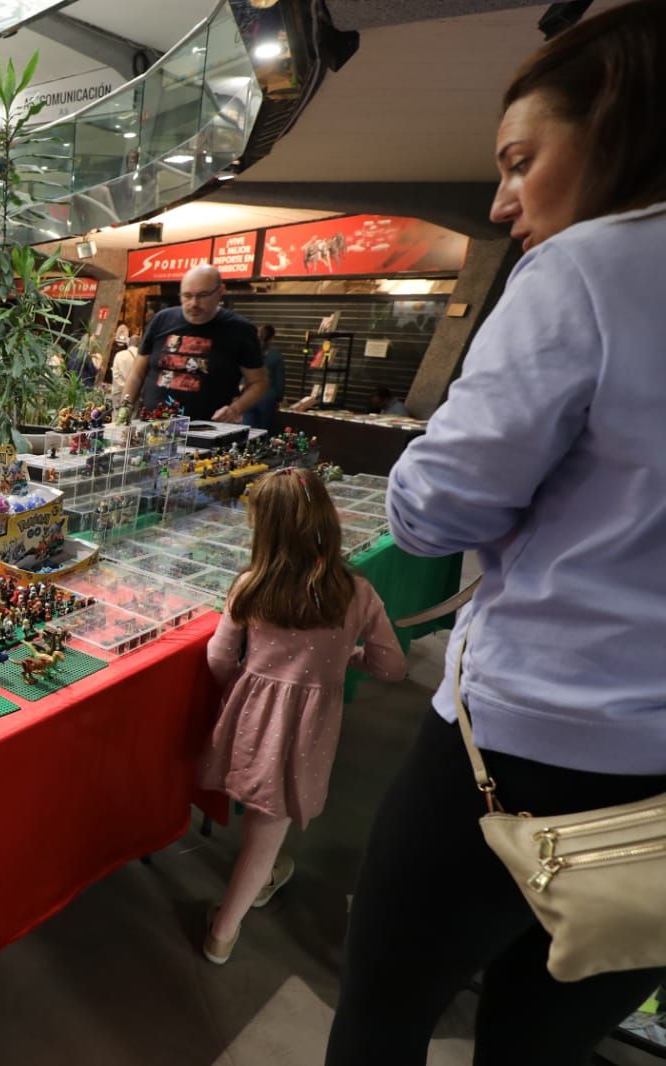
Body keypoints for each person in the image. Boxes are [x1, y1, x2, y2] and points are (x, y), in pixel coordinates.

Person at [328, 5, 666, 1062]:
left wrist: (441, 442)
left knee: (382, 1014)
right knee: (546, 1041)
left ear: (613, 124)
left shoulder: (584, 269)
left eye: (522, 159)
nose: (500, 198)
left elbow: (437, 507)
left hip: (521, 740)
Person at [198, 469, 406, 966]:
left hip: (253, 718)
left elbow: (218, 659)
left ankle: (232, 915)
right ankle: (223, 933)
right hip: (309, 728)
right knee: (270, 829)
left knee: (257, 814)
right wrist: (352, 658)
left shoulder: (249, 585)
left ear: (263, 529)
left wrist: (246, 685)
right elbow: (392, 666)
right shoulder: (355, 592)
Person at [127, 265, 267, 422]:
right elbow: (137, 373)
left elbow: (258, 382)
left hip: (205, 432)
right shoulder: (161, 320)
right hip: (152, 428)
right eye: (187, 296)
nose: (194, 303)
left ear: (220, 291)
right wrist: (123, 412)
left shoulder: (240, 330)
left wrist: (236, 409)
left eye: (202, 295)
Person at [244, 324, 285, 430]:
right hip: (267, 397)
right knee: (265, 432)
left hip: (249, 396)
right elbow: (279, 381)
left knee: (248, 431)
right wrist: (279, 398)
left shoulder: (249, 352)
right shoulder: (276, 355)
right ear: (271, 338)